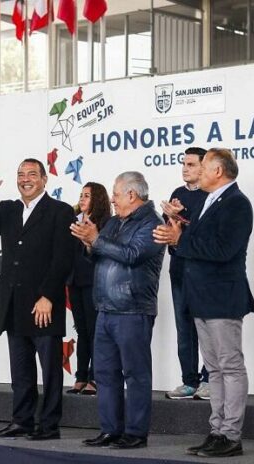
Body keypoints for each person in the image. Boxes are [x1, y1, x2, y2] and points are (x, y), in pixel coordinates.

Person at [154, 148, 254, 458]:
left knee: (229, 366)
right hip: (202, 296)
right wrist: (176, 225)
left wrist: (179, 240)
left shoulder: (237, 203)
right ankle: (217, 431)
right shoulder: (209, 201)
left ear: (218, 171)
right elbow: (195, 242)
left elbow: (223, 249)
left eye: (204, 167)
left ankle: (231, 435)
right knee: (213, 370)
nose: (196, 172)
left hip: (223, 297)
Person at [0, 161, 75, 441]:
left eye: (31, 175)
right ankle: (22, 421)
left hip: (44, 305)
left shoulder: (60, 211)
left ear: (44, 179)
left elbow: (63, 259)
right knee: (21, 370)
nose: (25, 180)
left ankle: (49, 425)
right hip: (14, 304)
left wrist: (47, 296)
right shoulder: (9, 209)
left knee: (51, 371)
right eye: (20, 175)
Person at [72, 172, 165, 450]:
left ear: (132, 195)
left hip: (133, 309)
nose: (111, 198)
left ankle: (136, 433)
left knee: (135, 374)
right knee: (104, 374)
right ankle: (111, 430)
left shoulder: (152, 223)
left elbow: (132, 255)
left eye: (116, 193)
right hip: (105, 309)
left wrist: (96, 239)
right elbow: (100, 254)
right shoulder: (114, 221)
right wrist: (89, 243)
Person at [160, 147, 210, 401]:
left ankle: (209, 379)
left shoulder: (211, 195)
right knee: (184, 327)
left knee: (206, 326)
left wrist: (180, 215)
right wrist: (169, 215)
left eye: (191, 164)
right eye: (184, 163)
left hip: (201, 272)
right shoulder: (178, 193)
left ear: (204, 167)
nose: (185, 168)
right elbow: (171, 229)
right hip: (178, 269)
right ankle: (189, 381)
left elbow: (201, 231)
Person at [66, 182, 111, 396]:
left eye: (87, 195)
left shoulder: (105, 224)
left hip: (95, 282)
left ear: (98, 199)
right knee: (82, 331)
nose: (82, 199)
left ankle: (96, 376)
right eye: (81, 195)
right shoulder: (73, 221)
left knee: (95, 332)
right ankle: (81, 376)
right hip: (74, 282)